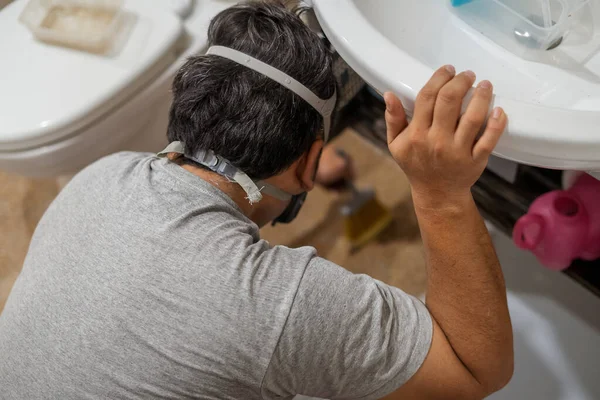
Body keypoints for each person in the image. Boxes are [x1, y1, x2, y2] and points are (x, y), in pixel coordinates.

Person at [0, 2, 513, 399]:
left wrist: (303, 165)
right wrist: (441, 194)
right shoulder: (276, 307)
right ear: (308, 165)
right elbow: (474, 372)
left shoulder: (98, 177)